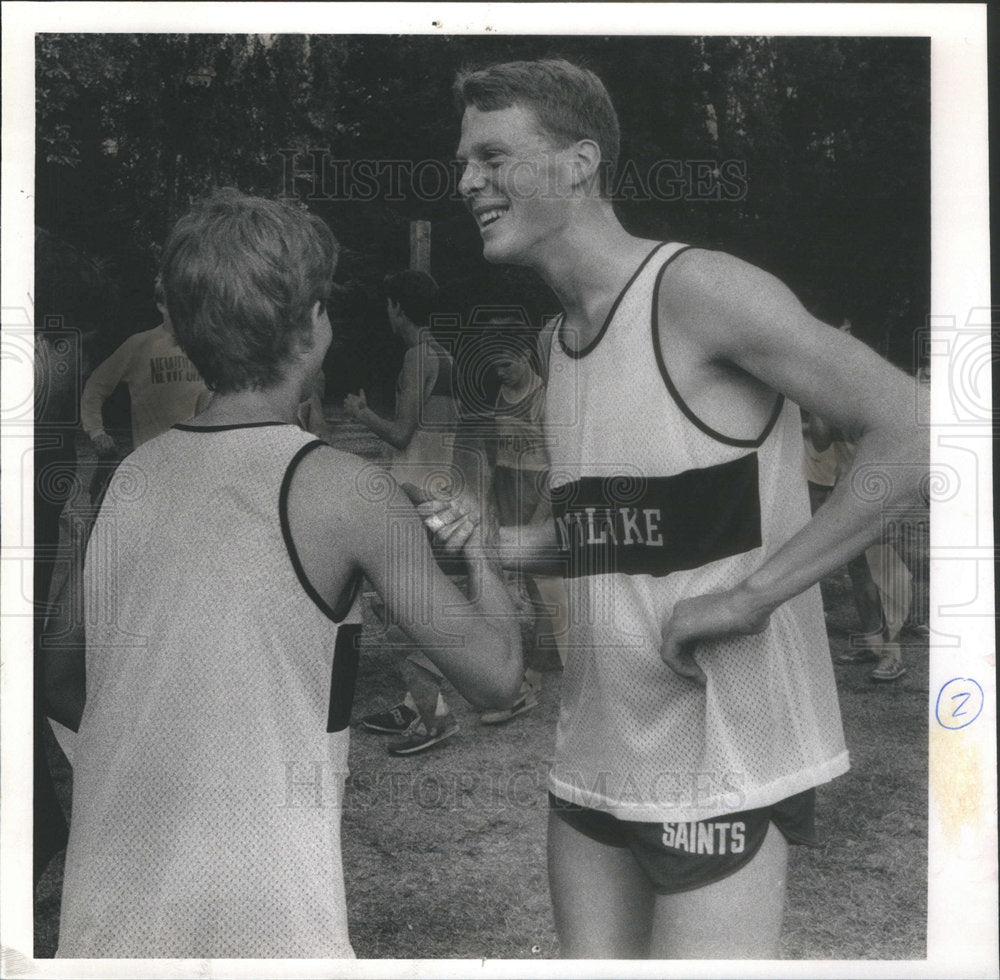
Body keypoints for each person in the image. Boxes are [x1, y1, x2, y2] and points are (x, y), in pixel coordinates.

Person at [420, 58, 927, 958]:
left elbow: (913, 433)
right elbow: (623, 532)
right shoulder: (556, 343)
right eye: (465, 162)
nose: (467, 183)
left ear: (580, 162)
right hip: (594, 760)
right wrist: (489, 544)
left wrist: (752, 597)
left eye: (492, 157)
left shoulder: (697, 290)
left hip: (720, 769)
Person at [43, 190, 522, 958]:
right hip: (266, 907)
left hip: (110, 903)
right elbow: (497, 678)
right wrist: (478, 555)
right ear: (311, 327)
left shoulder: (128, 478)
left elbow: (62, 680)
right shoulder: (346, 488)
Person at [344, 271, 463, 754]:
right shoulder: (445, 355)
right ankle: (417, 705)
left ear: (396, 306)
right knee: (410, 600)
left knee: (394, 606)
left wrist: (359, 412)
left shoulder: (417, 357)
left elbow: (399, 433)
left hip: (413, 492)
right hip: (437, 488)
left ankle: (436, 718)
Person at [481, 327, 567, 723]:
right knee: (516, 590)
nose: (499, 372)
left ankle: (530, 681)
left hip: (538, 506)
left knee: (543, 592)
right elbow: (497, 455)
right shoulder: (501, 395)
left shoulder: (546, 398)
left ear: (525, 358)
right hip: (508, 503)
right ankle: (529, 668)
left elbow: (559, 467)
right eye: (494, 365)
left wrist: (540, 518)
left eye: (505, 364)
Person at [803, 410, 909, 682]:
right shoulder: (830, 398)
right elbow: (820, 441)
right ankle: (873, 644)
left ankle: (893, 655)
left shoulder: (868, 397)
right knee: (859, 572)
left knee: (885, 572)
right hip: (848, 489)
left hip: (880, 488)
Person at [80, 277, 207, 471]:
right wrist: (97, 433)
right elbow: (95, 387)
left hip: (198, 458)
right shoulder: (139, 345)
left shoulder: (207, 346)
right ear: (161, 305)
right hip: (150, 459)